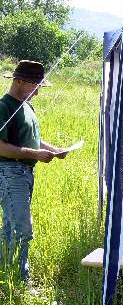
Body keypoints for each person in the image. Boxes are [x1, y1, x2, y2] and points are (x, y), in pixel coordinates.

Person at [0, 60, 69, 284]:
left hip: (25, 173)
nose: (37, 92)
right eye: (34, 85)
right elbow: (1, 147)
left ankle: (6, 273)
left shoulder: (27, 106)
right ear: (18, 81)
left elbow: (33, 139)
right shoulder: (4, 106)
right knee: (22, 229)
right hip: (10, 172)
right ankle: (20, 280)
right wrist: (35, 154)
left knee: (10, 226)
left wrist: (54, 150)